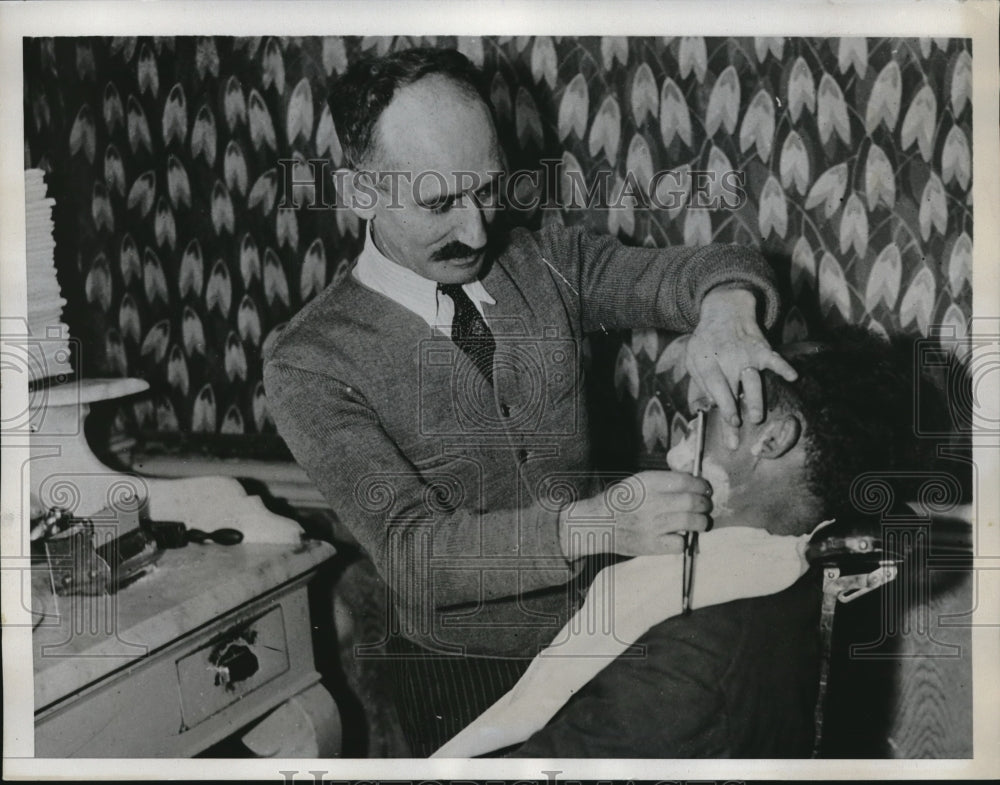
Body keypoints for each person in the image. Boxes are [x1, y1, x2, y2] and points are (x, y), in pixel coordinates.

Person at [263, 46, 797, 756]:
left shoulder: (546, 262)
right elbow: (415, 554)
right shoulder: (311, 358)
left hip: (600, 634)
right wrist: (595, 525)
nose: (479, 231)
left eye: (488, 189)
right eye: (440, 203)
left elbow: (711, 267)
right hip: (462, 674)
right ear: (359, 191)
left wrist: (728, 308)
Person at [433, 326, 929, 758]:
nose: (697, 405)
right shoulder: (777, 569)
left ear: (772, 440)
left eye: (720, 397)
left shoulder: (693, 671)